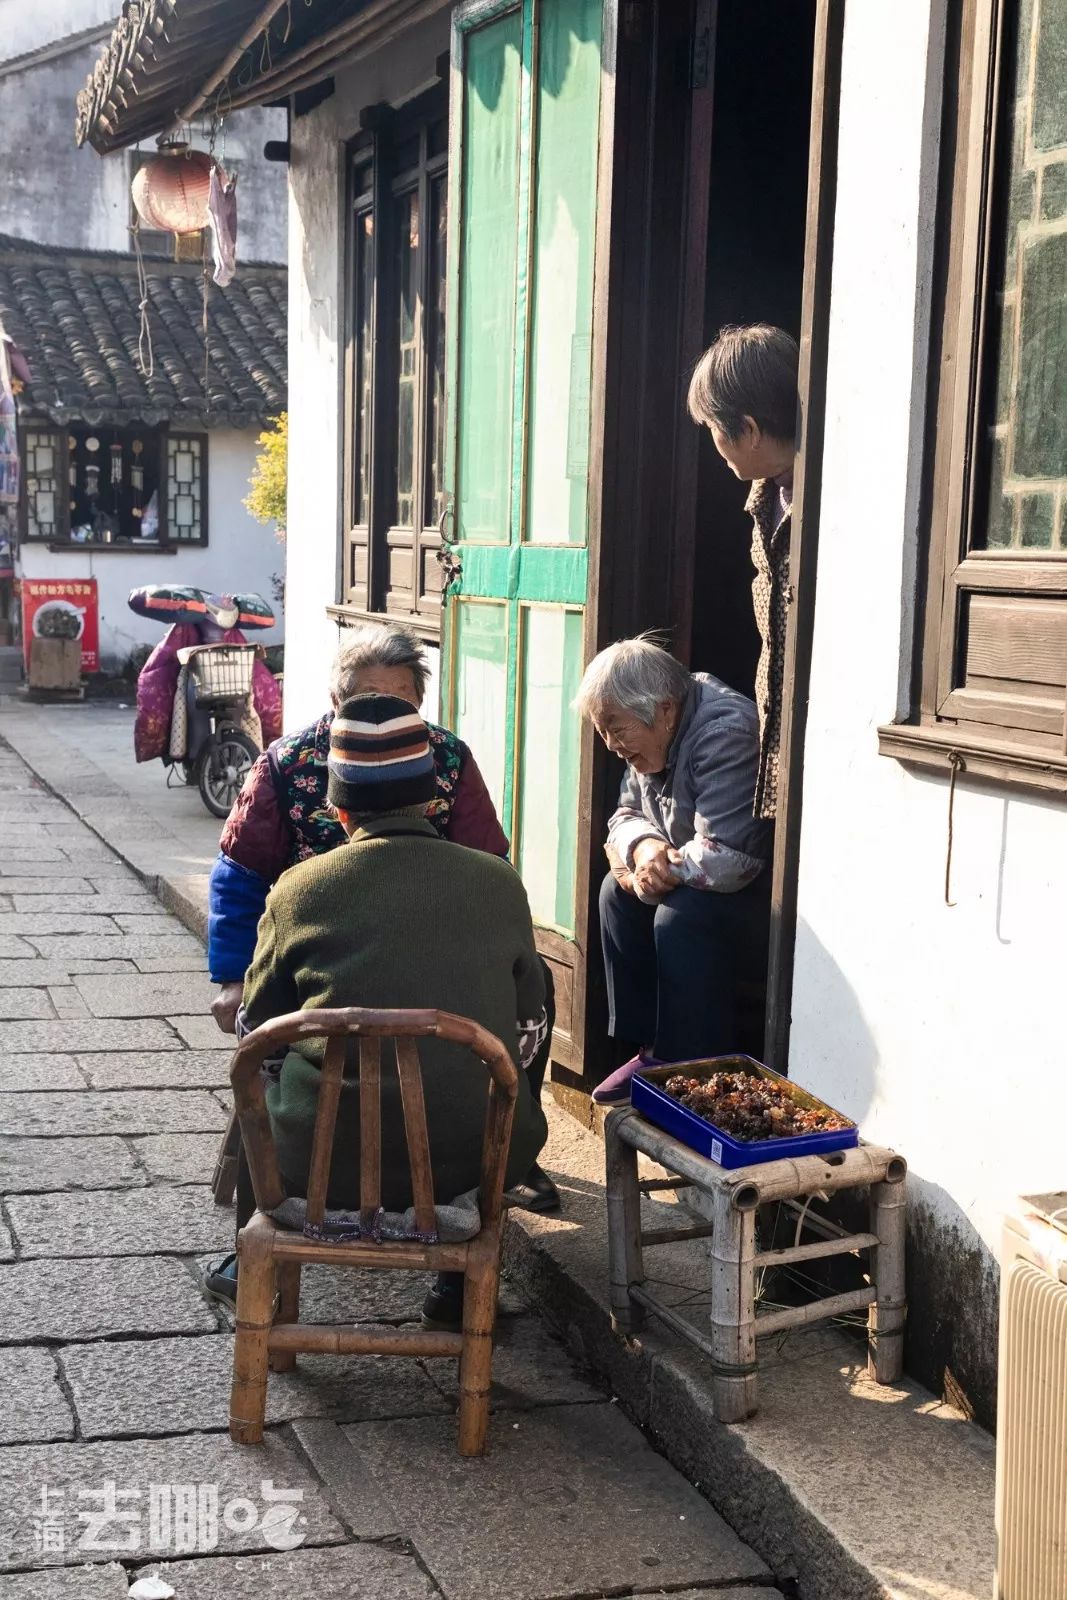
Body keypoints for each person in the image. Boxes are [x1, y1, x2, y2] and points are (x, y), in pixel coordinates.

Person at [207, 693, 550, 1330]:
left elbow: (256, 1033)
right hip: (472, 1159)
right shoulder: (499, 883)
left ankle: (255, 1277)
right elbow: (527, 1038)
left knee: (265, 1085)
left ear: (337, 810)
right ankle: (457, 1294)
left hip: (317, 1163)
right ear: (433, 800)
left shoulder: (298, 889)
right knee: (506, 1070)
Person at [574, 636, 770, 1104]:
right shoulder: (652, 733)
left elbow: (728, 856)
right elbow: (625, 815)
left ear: (663, 711)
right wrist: (643, 848)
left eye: (615, 728)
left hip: (754, 899)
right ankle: (649, 1049)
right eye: (602, 730)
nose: (610, 745)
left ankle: (686, 1066)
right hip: (693, 872)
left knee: (678, 915)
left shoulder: (725, 731)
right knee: (613, 893)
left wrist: (653, 873)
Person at [686, 324, 799, 820]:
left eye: (714, 428)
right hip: (776, 739)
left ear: (748, 430)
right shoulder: (764, 500)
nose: (714, 444)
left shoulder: (827, 498)